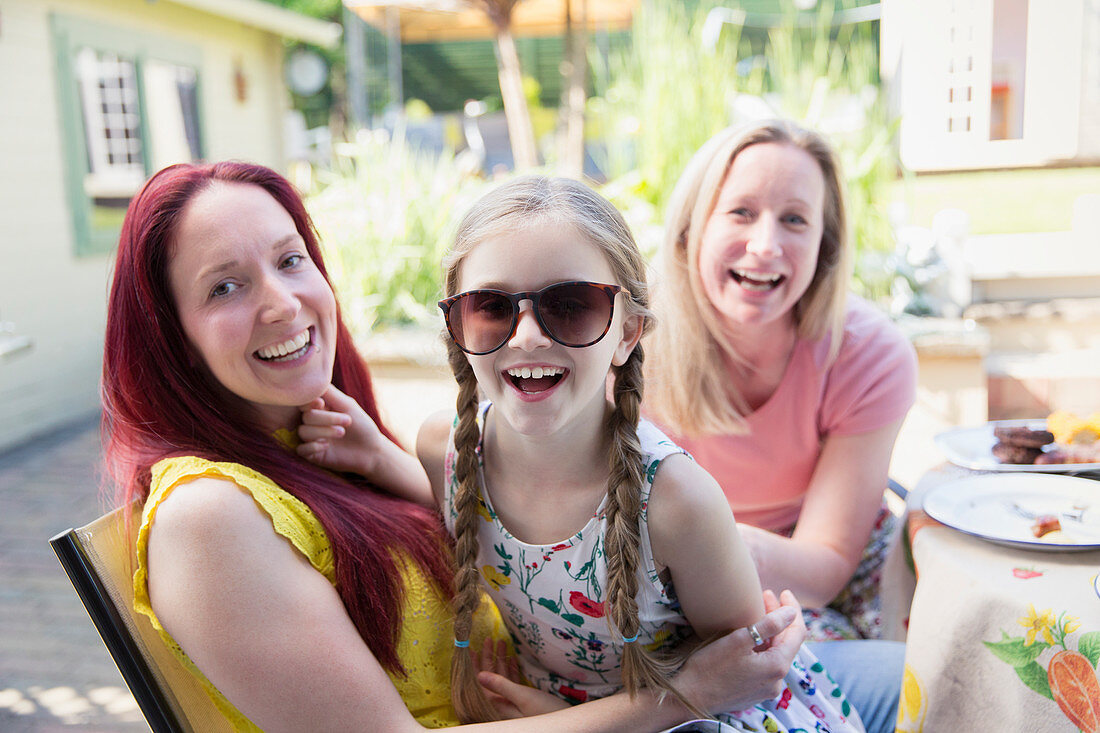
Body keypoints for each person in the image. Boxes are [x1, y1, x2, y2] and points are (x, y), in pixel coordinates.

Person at [101, 160, 807, 733]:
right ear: (174, 342)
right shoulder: (206, 519)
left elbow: (495, 526)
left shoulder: (328, 446)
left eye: (292, 259)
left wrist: (383, 461)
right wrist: (678, 697)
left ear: (628, 330)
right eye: (224, 285)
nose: (283, 303)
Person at [305, 176, 864, 732]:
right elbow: (454, 502)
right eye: (492, 306)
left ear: (628, 333)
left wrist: (578, 722)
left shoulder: (674, 501)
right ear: (457, 328)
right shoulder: (445, 449)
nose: (526, 336)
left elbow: (740, 679)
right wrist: (376, 455)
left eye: (571, 306)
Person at [644, 120, 915, 725]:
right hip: (680, 592)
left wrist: (716, 546)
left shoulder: (867, 352)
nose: (766, 245)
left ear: (825, 245)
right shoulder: (628, 346)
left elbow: (823, 567)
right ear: (693, 229)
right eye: (740, 212)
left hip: (819, 571)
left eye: (795, 219)